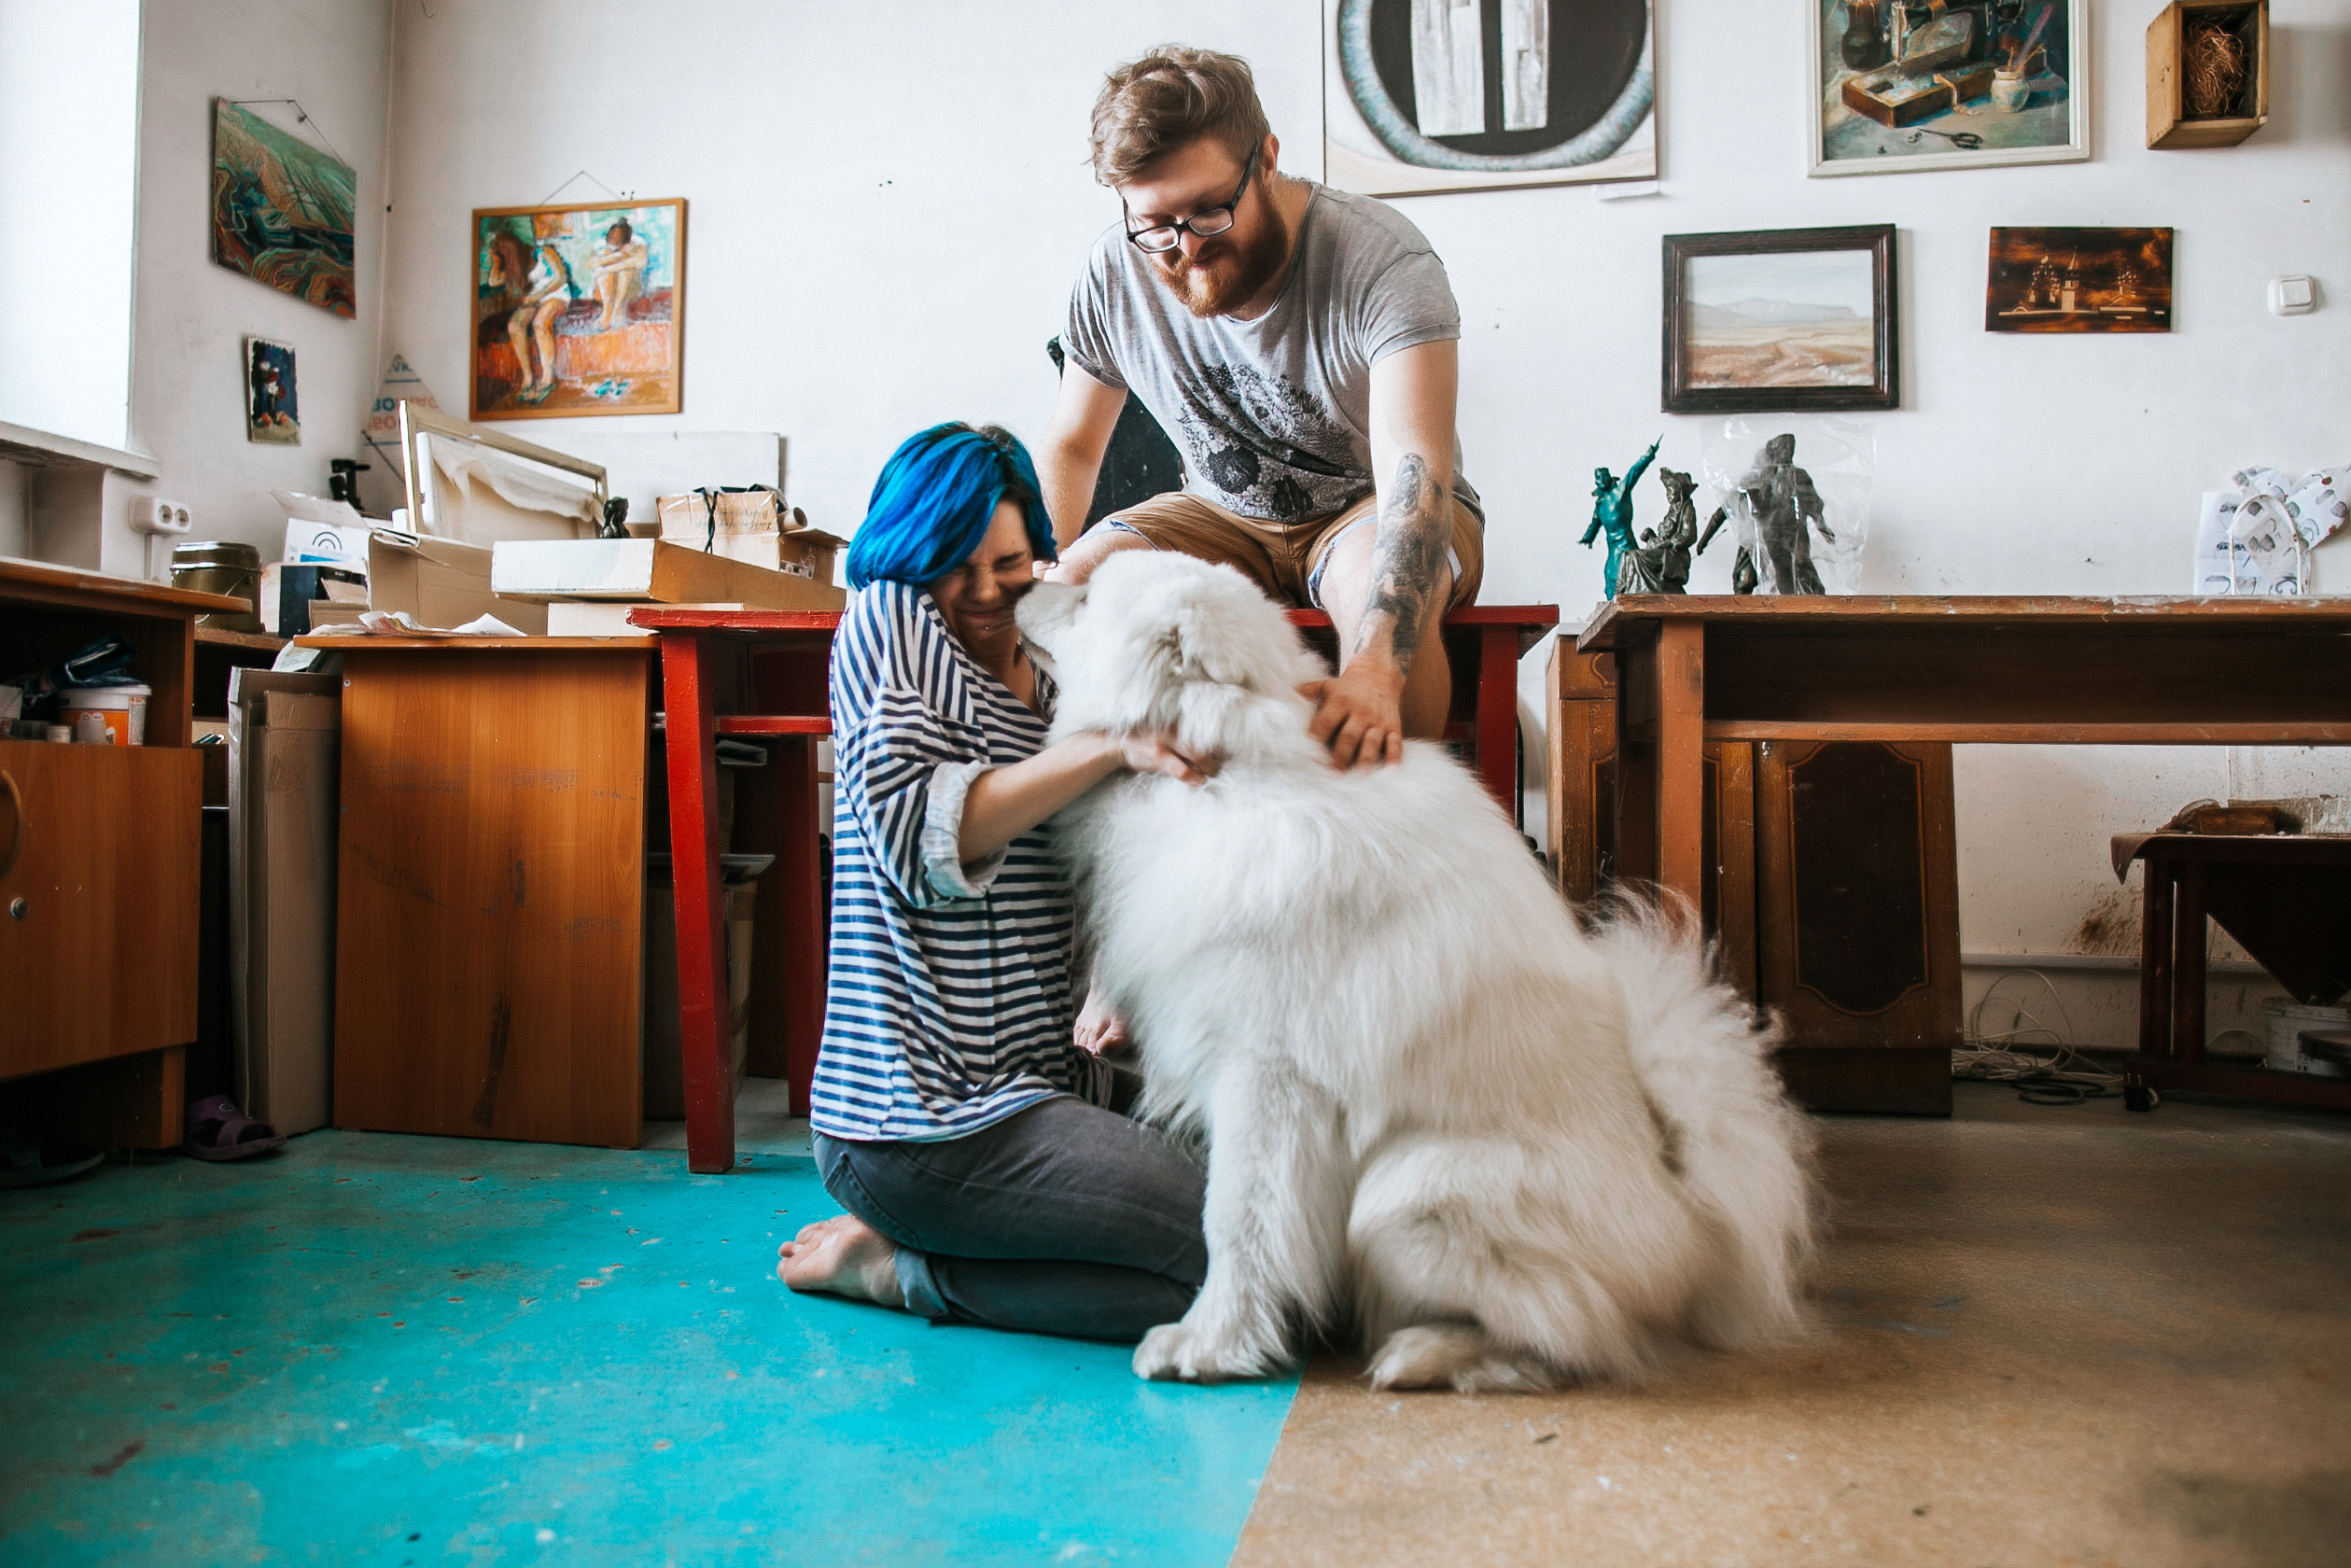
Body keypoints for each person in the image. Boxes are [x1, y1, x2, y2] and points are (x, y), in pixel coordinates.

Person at [776, 423, 1219, 1342]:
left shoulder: (1057, 670)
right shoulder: (890, 622)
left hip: (1044, 1086)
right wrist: (1108, 746)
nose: (983, 593)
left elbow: (1115, 850)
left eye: (1009, 562)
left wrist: (1111, 980)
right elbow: (918, 839)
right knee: (1231, 1263)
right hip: (920, 1120)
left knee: (1284, 1235)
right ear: (910, 559)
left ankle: (944, 1244)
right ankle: (903, 1269)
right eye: (954, 565)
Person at [1039, 46, 1485, 776]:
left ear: (1267, 158)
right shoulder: (1112, 271)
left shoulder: (1382, 257)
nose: (1185, 249)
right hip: (1218, 510)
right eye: (1155, 224)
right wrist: (1041, 565)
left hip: (1368, 505)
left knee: (1377, 597)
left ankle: (1405, 834)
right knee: (1070, 590)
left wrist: (1373, 669)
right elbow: (1074, 446)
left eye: (1210, 210)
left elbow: (1414, 468)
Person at [507, 241, 574, 402]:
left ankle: (547, 376)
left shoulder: (544, 252)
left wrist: (538, 296)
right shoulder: (511, 265)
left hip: (555, 293)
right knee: (514, 325)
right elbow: (493, 281)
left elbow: (560, 277)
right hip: (534, 298)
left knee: (540, 322)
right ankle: (528, 377)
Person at [587, 217, 648, 332]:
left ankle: (618, 309)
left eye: (617, 242)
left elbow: (640, 262)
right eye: (611, 239)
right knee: (605, 270)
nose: (613, 243)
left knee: (626, 270)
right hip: (602, 291)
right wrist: (616, 256)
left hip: (629, 289)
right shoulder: (602, 244)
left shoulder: (637, 243)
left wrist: (612, 266)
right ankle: (607, 312)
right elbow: (590, 263)